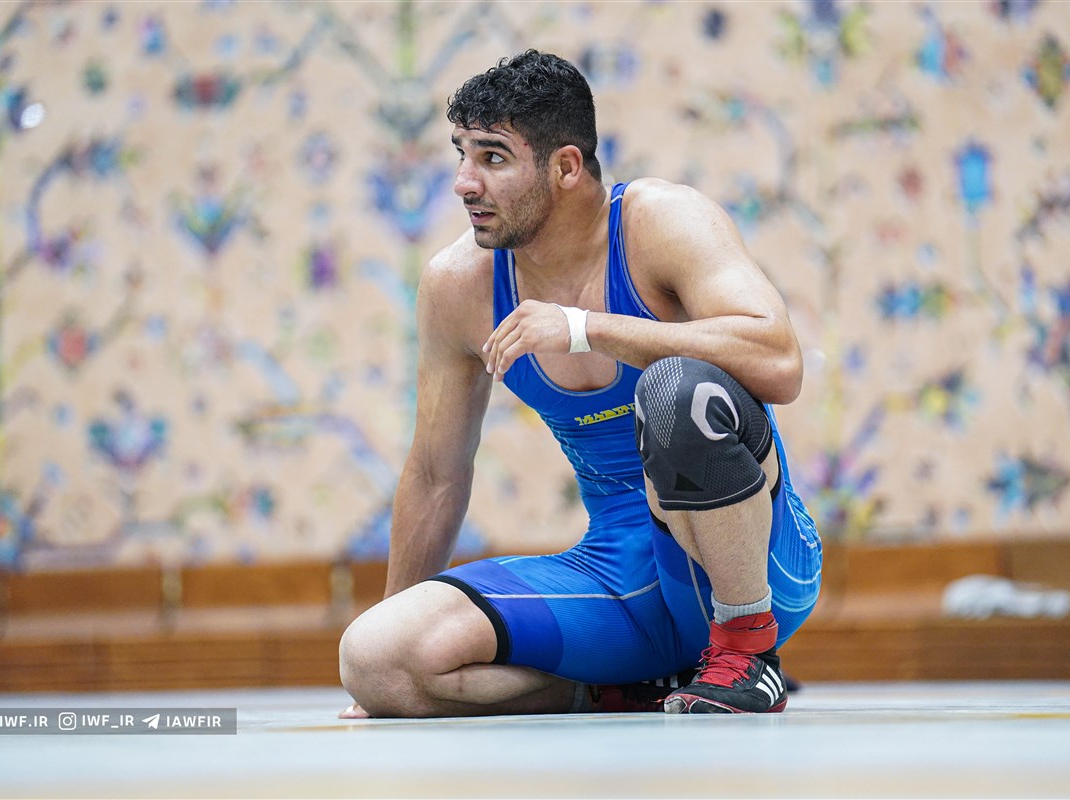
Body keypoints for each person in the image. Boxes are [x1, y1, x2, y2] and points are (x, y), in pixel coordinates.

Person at [339, 50, 822, 717]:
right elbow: (435, 474)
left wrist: (586, 327)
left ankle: (746, 653)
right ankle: (621, 688)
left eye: (493, 158)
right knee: (374, 657)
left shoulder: (662, 221)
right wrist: (392, 652)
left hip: (758, 566)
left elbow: (779, 361)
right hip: (619, 582)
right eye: (461, 155)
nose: (463, 183)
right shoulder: (460, 285)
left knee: (676, 391)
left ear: (566, 167)